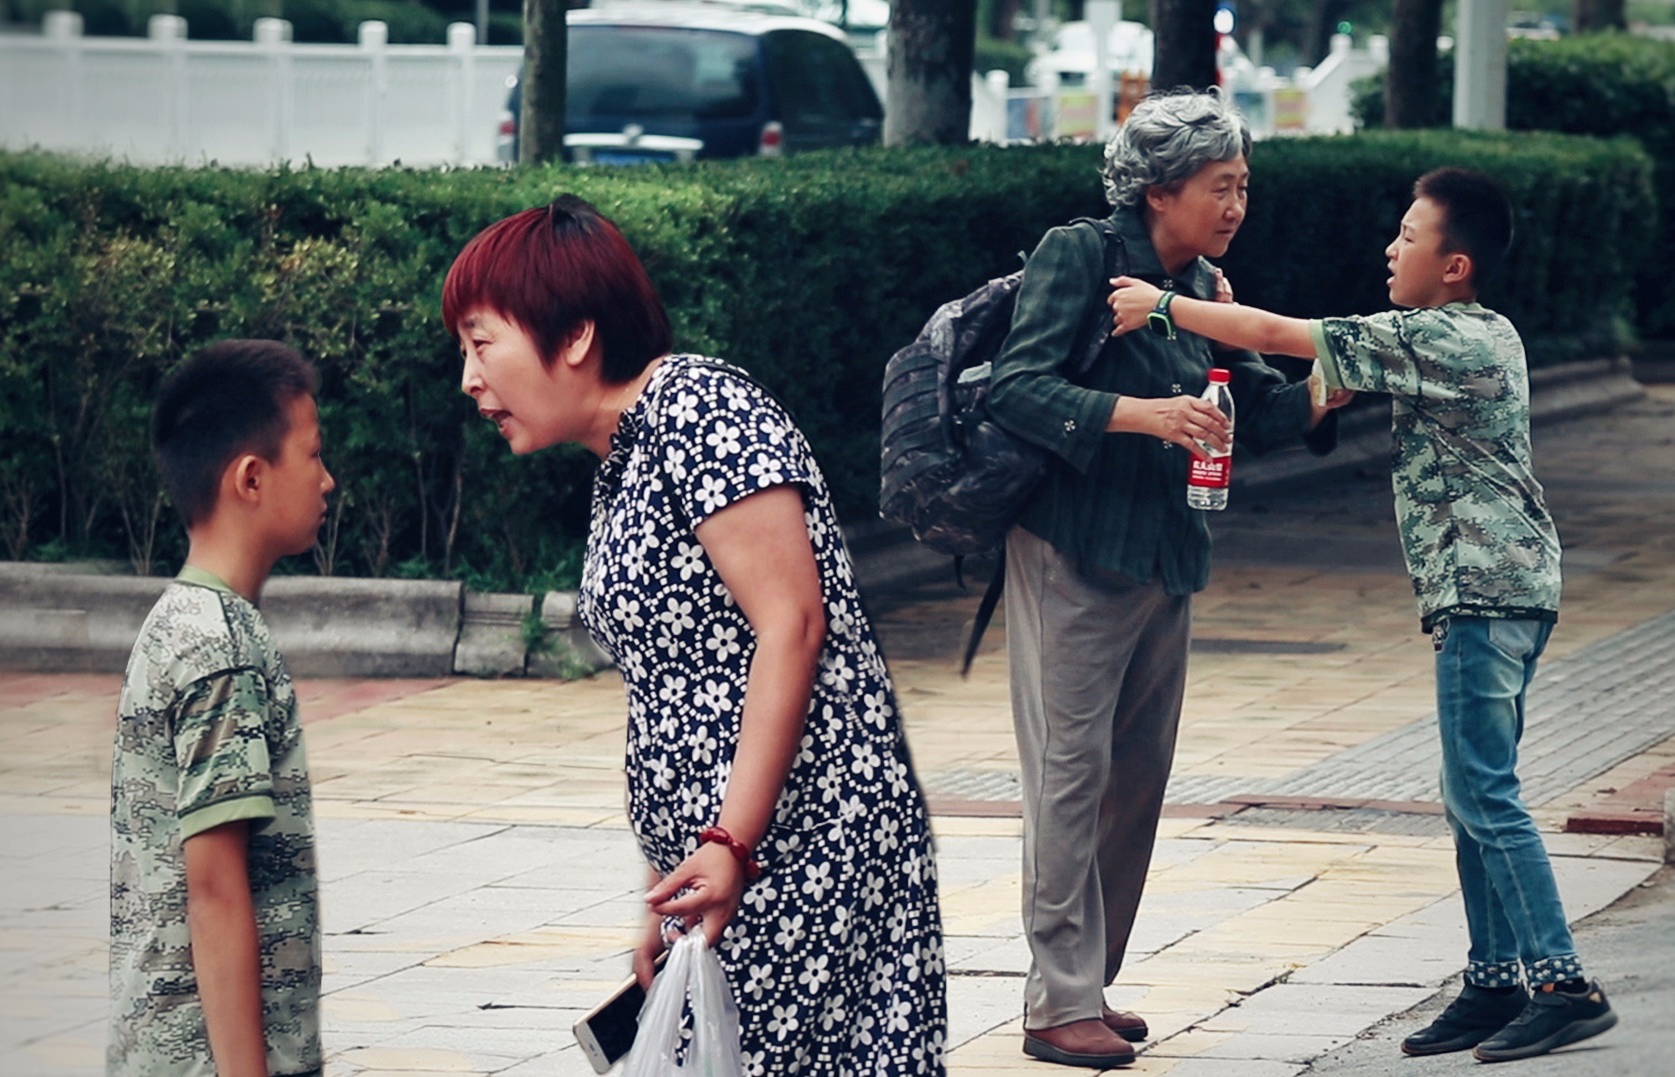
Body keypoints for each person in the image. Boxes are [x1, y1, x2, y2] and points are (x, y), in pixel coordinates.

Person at [1108, 166, 1619, 1063]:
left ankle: (1562, 980)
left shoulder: (1443, 336)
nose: (1392, 247)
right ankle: (1494, 979)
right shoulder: (1475, 332)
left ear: (1454, 264)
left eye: (1410, 236)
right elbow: (1300, 355)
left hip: (1484, 593)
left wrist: (1162, 307)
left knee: (1483, 793)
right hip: (1503, 591)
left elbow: (1280, 335)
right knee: (1472, 795)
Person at [442, 195, 946, 1073]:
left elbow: (791, 621)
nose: (470, 379)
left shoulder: (700, 409)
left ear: (574, 336)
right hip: (730, 860)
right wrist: (668, 887)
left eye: (482, 344)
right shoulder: (624, 455)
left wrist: (730, 841)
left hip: (808, 844)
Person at [984, 89, 1348, 1070]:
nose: (1234, 204)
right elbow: (1015, 388)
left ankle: (1086, 984)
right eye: (1218, 186)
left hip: (1165, 554)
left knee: (1134, 778)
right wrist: (1148, 418)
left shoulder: (1197, 281)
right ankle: (1053, 1002)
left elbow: (1241, 411)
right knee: (1068, 775)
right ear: (1157, 190)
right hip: (1073, 547)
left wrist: (1320, 395)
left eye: (1241, 187)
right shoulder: (1081, 254)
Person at [109, 340, 336, 1077]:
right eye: (312, 454)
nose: (328, 480)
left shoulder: (177, 621)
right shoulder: (221, 646)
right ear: (250, 477)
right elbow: (214, 888)